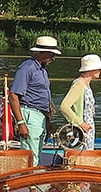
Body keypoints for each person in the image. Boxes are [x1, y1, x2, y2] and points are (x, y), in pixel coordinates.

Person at [9, 36, 61, 166]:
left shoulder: (42, 69)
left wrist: (47, 119)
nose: (53, 58)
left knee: (36, 154)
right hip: (30, 114)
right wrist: (21, 123)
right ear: (40, 52)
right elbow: (13, 96)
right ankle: (29, 184)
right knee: (30, 157)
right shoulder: (27, 68)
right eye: (51, 54)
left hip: (40, 116)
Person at [59, 54, 101, 150]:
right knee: (80, 157)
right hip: (80, 131)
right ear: (90, 69)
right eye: (98, 68)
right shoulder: (79, 84)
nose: (100, 71)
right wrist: (80, 123)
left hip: (87, 130)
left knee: (87, 157)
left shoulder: (86, 85)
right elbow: (64, 107)